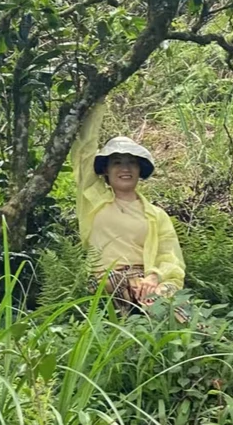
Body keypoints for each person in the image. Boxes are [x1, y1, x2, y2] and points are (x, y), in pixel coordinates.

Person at [70, 96, 186, 318]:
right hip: (106, 278)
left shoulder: (156, 215)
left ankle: (198, 343)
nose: (125, 168)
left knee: (173, 307)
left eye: (131, 162)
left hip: (147, 280)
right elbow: (84, 151)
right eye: (117, 162)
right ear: (105, 169)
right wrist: (97, 103)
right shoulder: (94, 199)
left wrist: (154, 277)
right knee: (134, 293)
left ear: (139, 169)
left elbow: (170, 257)